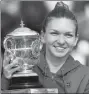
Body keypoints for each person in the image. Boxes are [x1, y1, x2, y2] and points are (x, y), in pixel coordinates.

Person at [2, 2, 89, 93]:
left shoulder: (85, 76)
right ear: (42, 36)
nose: (61, 41)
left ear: (76, 40)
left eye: (68, 35)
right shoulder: (24, 69)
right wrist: (6, 79)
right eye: (54, 33)